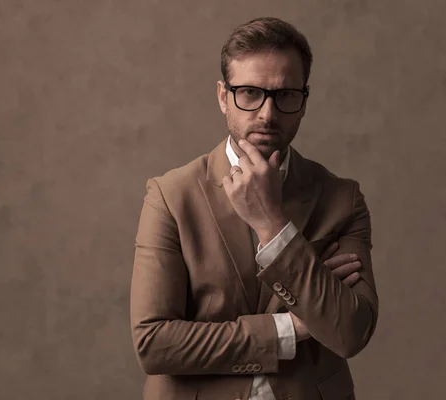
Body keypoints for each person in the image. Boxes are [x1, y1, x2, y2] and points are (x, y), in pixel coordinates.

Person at [130, 17, 379, 400]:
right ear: (222, 96)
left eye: (285, 95)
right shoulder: (170, 196)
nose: (267, 114)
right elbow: (154, 343)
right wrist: (293, 327)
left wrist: (273, 225)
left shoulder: (341, 199)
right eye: (249, 92)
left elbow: (350, 331)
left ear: (304, 100)